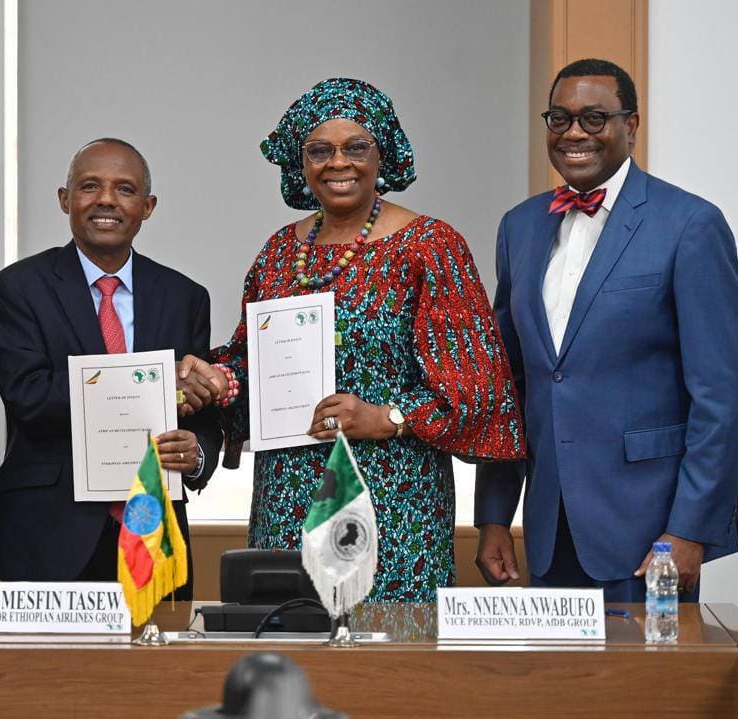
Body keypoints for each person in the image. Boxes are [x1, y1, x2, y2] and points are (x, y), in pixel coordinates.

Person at [189, 78, 525, 602]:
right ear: (300, 163)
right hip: (286, 502)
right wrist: (220, 378)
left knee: (388, 668)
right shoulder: (279, 253)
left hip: (393, 503)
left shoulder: (430, 246)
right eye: (319, 150)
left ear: (382, 152)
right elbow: (252, 362)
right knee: (288, 652)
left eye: (355, 147)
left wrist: (386, 417)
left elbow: (479, 389)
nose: (337, 162)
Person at [474, 59, 738, 601]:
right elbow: (511, 386)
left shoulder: (690, 225)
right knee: (558, 687)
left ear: (632, 125)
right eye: (559, 118)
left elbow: (723, 395)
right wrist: (493, 515)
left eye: (594, 118)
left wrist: (691, 529)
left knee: (649, 687)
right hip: (550, 526)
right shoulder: (520, 227)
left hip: (651, 531)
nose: (574, 132)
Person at [0, 139, 222, 596]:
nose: (106, 200)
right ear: (65, 199)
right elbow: (29, 397)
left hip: (154, 533)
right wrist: (155, 390)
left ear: (146, 207)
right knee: (45, 672)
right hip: (45, 533)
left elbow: (200, 415)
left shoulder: (185, 296)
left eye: (124, 189)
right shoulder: (19, 288)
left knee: (156, 670)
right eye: (90, 186)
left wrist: (197, 453)